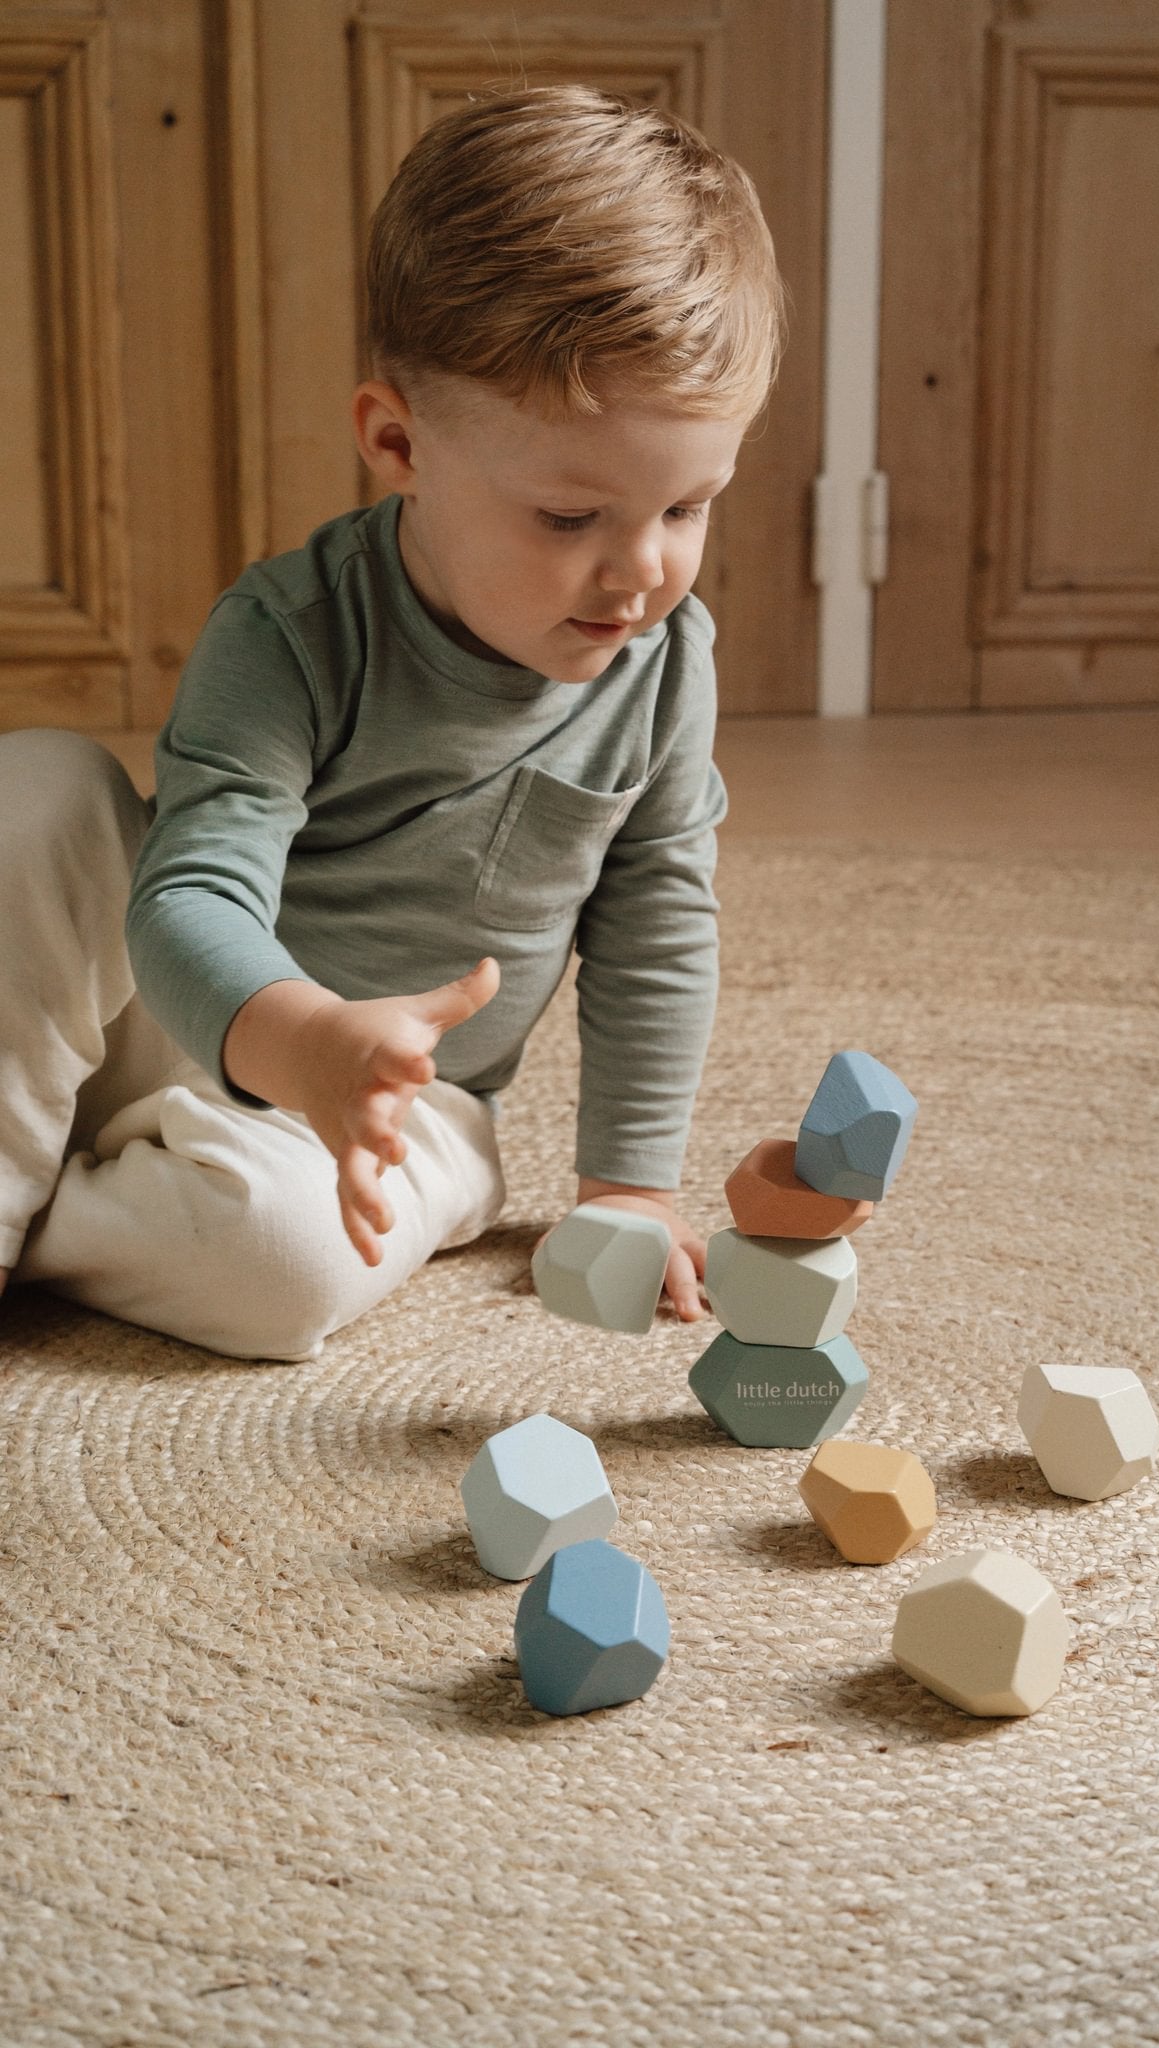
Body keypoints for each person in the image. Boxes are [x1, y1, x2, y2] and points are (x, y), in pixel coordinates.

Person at [0, 84, 786, 1361]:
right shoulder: (293, 630)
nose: (640, 571)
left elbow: (656, 925)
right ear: (397, 441)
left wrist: (630, 1186)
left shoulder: (662, 664)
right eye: (571, 518)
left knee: (284, 1271)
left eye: (689, 508)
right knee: (37, 790)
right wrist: (299, 1033)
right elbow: (187, 893)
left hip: (406, 1106)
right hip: (175, 1014)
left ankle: (53, 1195)